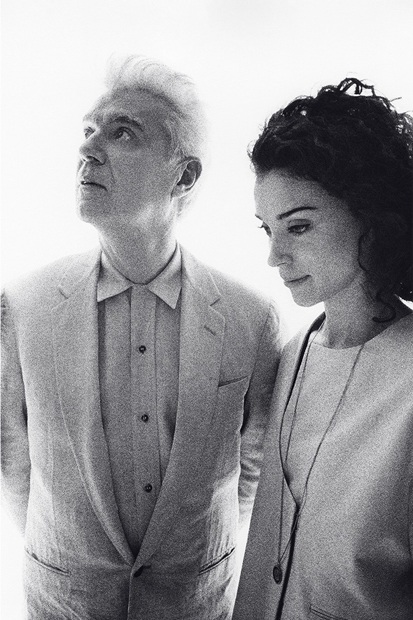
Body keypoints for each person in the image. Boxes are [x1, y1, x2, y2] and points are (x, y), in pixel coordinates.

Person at [1, 56, 283, 620]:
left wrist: (193, 552)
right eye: (88, 129)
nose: (88, 148)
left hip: (195, 601)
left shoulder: (251, 318)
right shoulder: (21, 305)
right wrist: (68, 551)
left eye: (122, 132)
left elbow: (252, 465)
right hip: (64, 600)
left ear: (184, 176)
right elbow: (12, 449)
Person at [233, 77, 413, 620]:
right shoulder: (290, 355)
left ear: (370, 215)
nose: (275, 256)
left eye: (299, 226)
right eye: (267, 230)